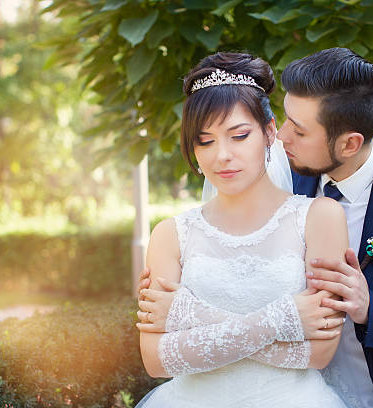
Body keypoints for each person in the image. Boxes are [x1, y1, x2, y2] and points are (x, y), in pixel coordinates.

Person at [140, 47, 373, 407]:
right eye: (284, 120)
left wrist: (372, 309)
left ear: (349, 143)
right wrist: (191, 299)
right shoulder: (285, 184)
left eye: (299, 131)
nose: (281, 137)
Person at [134, 52, 349, 407]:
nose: (222, 155)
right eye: (205, 140)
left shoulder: (319, 217)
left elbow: (318, 353)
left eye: (239, 135)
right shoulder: (170, 234)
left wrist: (190, 318)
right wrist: (284, 318)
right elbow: (156, 359)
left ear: (268, 132)